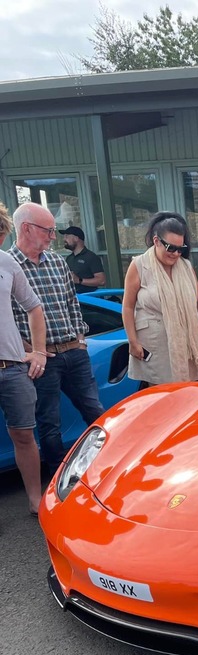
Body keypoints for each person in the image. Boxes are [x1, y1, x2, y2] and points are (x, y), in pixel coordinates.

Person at [10, 202, 104, 477]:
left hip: (74, 350)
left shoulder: (57, 262)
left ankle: (104, 469)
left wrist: (81, 339)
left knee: (96, 412)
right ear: (26, 229)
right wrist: (29, 350)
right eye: (48, 230)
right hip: (42, 358)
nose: (53, 237)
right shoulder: (8, 265)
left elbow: (71, 302)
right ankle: (57, 480)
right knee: (49, 423)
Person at [122, 212, 198, 388]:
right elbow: (128, 306)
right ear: (156, 241)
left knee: (191, 393)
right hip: (155, 345)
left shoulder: (186, 266)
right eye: (170, 248)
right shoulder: (139, 265)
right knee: (163, 396)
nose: (176, 253)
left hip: (186, 342)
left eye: (180, 248)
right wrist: (133, 342)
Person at [0, 203, 46, 514]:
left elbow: (34, 307)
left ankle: (35, 500)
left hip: (12, 367)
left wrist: (39, 350)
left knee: (24, 435)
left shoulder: (7, 263)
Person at [59, 226, 106, 293]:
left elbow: (101, 281)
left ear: (76, 238)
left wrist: (79, 280)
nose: (64, 239)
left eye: (67, 236)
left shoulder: (91, 257)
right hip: (73, 299)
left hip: (89, 299)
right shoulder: (69, 258)